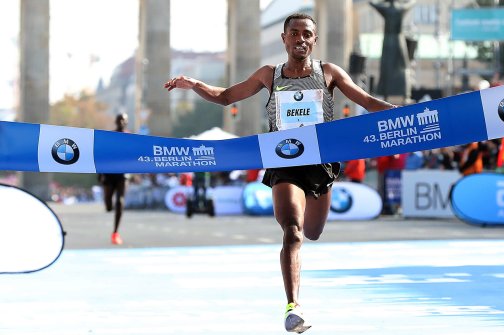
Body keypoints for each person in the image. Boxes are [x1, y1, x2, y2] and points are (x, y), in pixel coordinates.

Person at [165, 13, 394, 333]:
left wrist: (405, 115)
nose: (301, 39)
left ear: (314, 40)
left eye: (307, 34)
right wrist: (195, 84)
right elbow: (226, 97)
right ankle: (293, 308)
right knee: (293, 231)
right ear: (285, 39)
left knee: (312, 232)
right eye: (295, 33)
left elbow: (368, 101)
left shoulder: (329, 73)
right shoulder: (268, 75)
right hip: (284, 160)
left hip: (321, 164)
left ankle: (297, 282)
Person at [98, 113, 129, 245]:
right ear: (116, 122)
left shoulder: (130, 137)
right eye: (119, 120)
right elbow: (102, 154)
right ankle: (108, 204)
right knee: (108, 205)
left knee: (120, 201)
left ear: (126, 122)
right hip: (109, 172)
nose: (121, 122)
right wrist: (100, 174)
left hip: (123, 174)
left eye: (124, 120)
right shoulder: (110, 136)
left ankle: (115, 232)